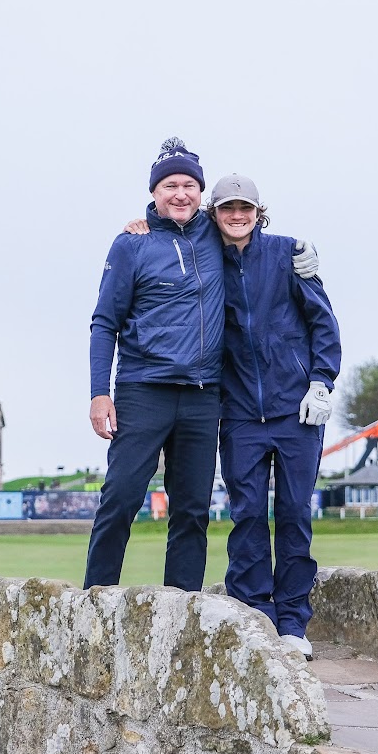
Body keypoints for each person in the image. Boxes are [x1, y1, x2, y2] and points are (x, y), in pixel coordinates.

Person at [85, 138, 317, 591]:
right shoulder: (131, 245)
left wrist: (299, 251)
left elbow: (248, 230)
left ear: (200, 193)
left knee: (192, 511)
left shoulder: (214, 234)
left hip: (203, 395)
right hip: (143, 389)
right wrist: (99, 393)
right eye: (169, 186)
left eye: (189, 186)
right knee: (121, 499)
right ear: (154, 192)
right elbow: (104, 322)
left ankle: (182, 608)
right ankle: (95, 601)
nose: (180, 194)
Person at [209, 175, 340, 659]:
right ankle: (254, 616)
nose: (237, 215)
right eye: (227, 208)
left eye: (245, 207)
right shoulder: (205, 257)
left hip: (296, 410)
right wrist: (141, 220)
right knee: (246, 515)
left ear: (258, 211)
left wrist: (321, 380)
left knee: (293, 513)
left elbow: (323, 321)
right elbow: (168, 223)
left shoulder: (288, 254)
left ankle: (292, 622)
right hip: (240, 412)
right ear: (214, 213)